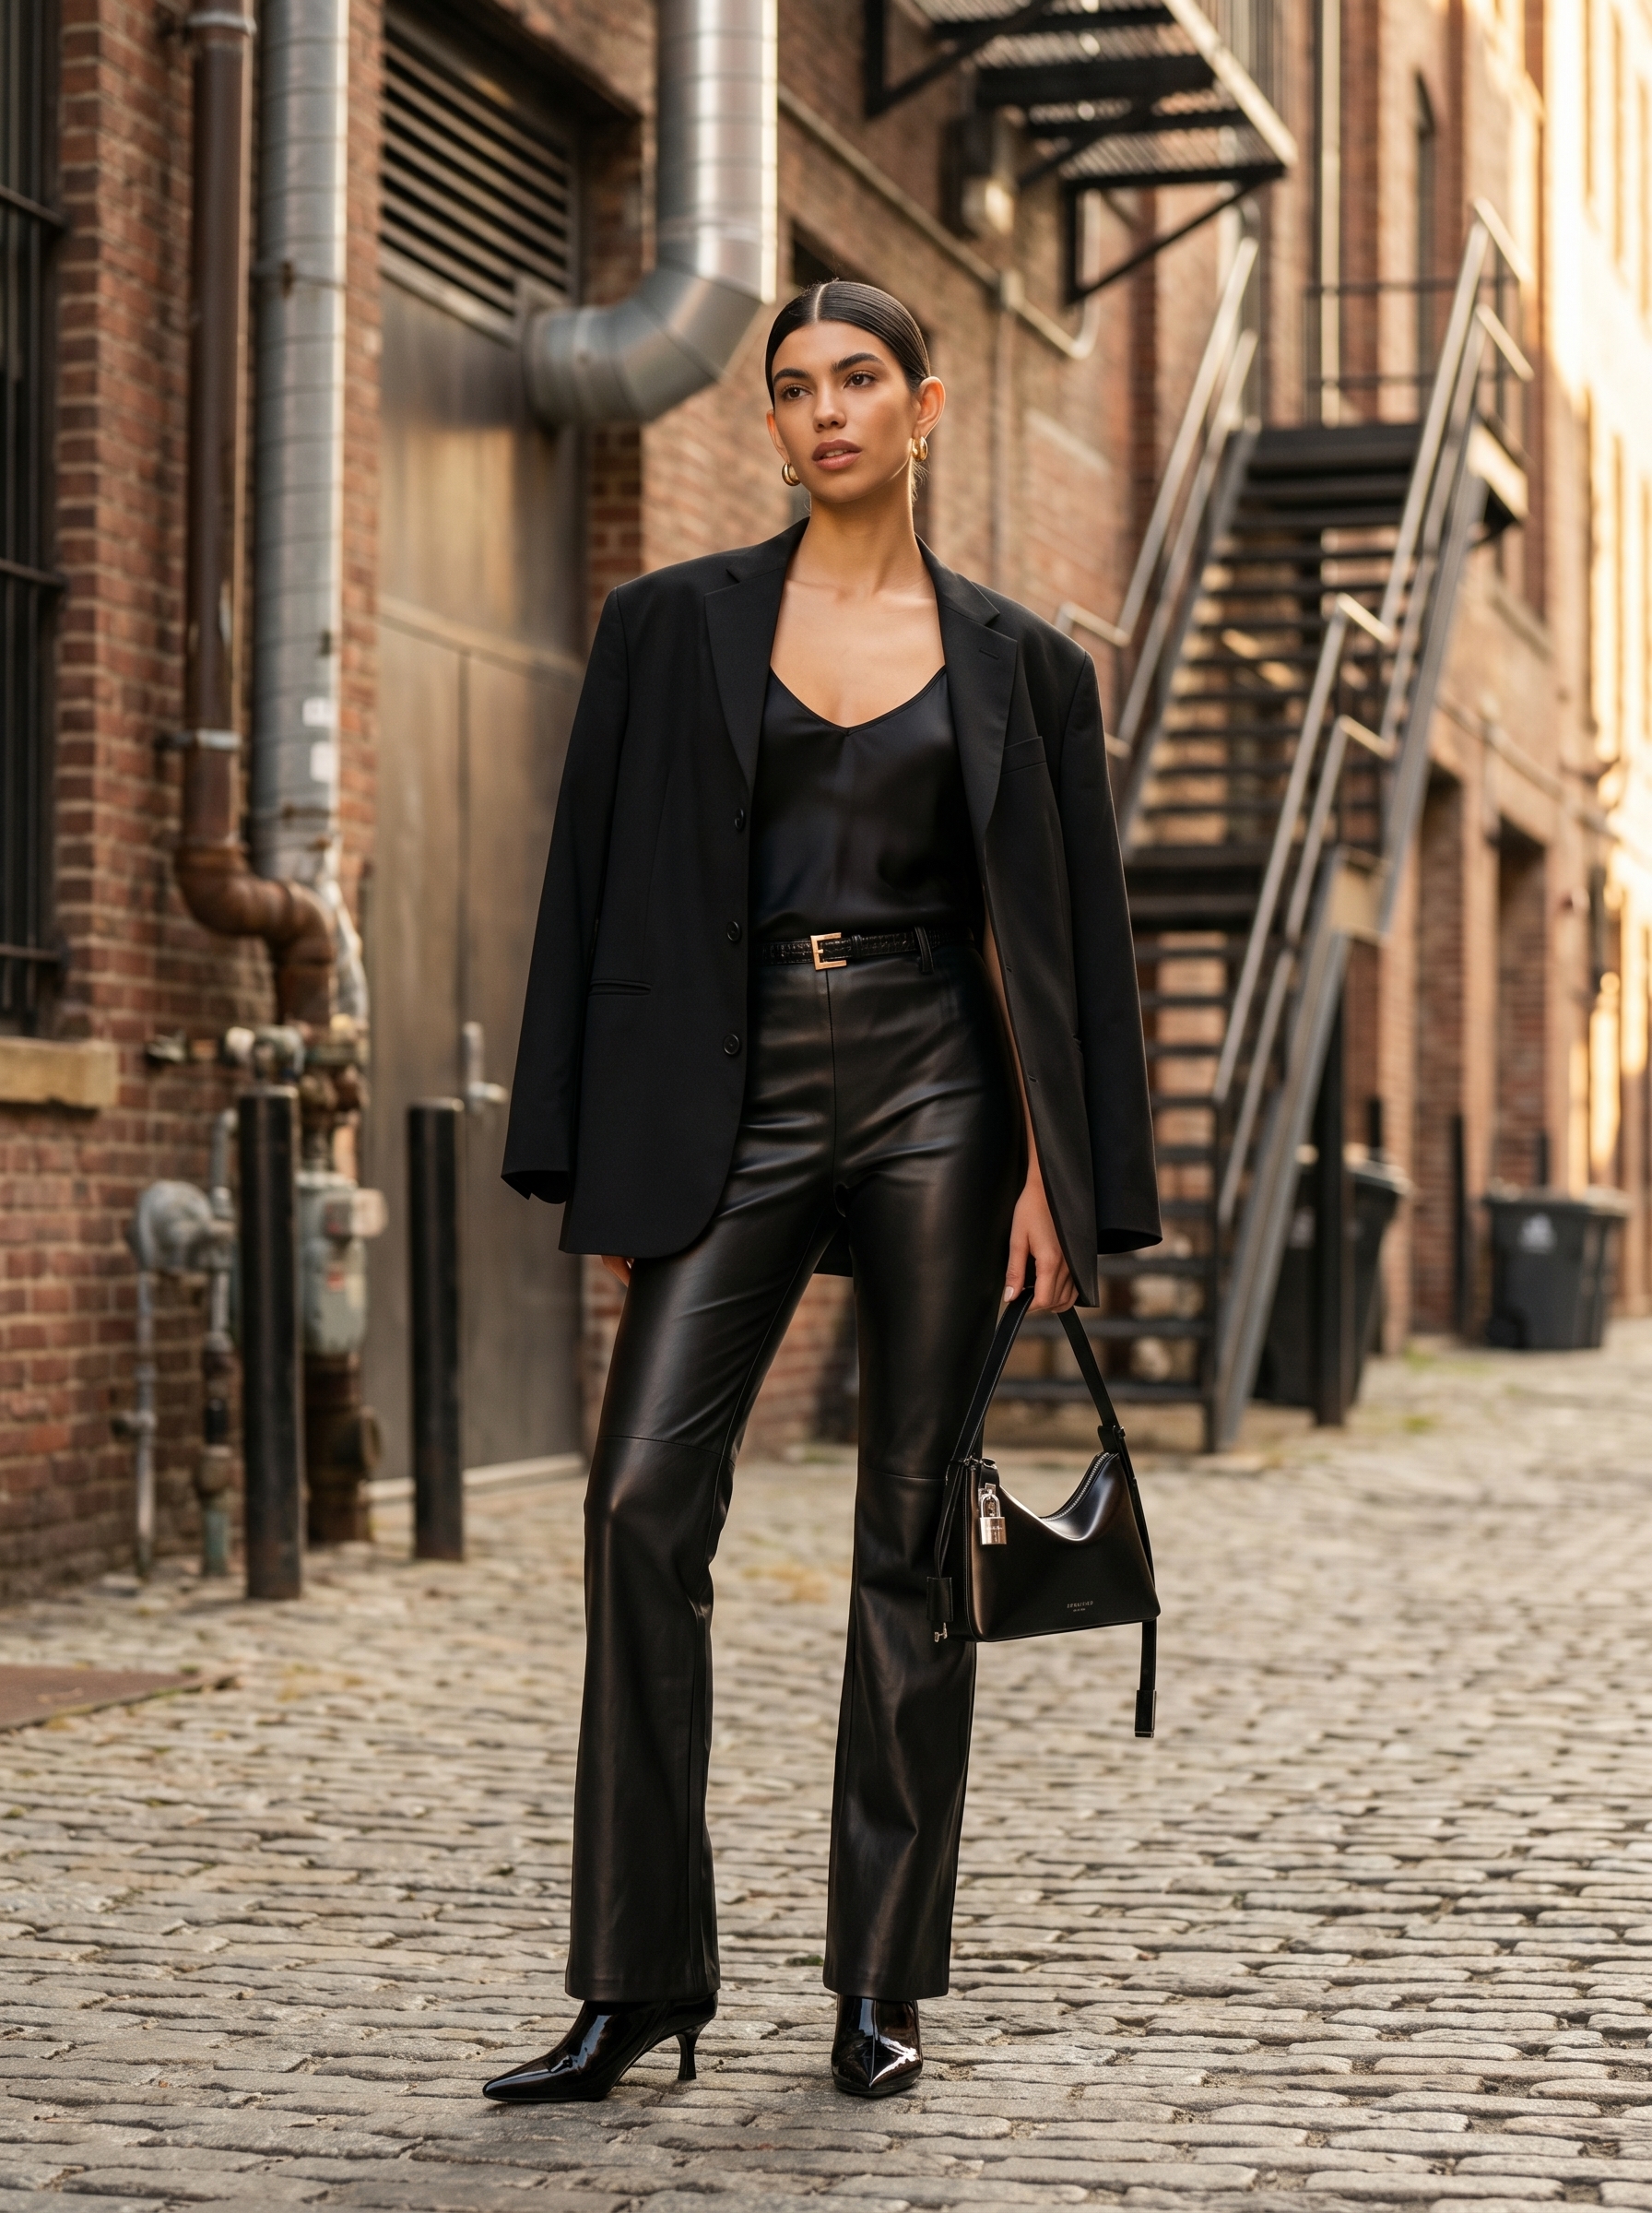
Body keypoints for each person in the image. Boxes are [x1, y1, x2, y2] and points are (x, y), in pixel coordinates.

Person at [487, 280, 1159, 2105]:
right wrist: (595, 1143)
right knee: (635, 1501)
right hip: (734, 1085)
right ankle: (636, 1978)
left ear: (923, 406)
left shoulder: (1023, 662)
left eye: (857, 381)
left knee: (910, 1536)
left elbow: (1073, 943)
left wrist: (1061, 1177)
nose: (823, 412)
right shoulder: (664, 629)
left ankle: (879, 1981)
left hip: (943, 1083)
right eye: (791, 389)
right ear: (769, 426)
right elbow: (594, 897)